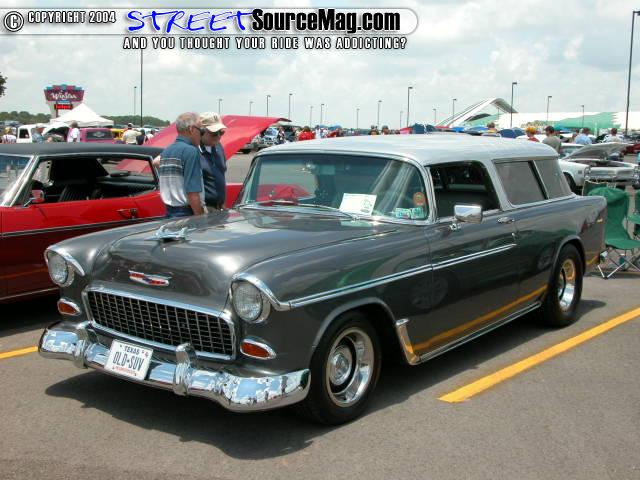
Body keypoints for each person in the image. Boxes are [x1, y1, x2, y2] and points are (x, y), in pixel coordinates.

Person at [158, 112, 205, 218]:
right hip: (186, 213)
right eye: (201, 131)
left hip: (170, 212)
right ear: (191, 129)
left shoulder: (166, 151)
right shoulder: (191, 151)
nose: (201, 135)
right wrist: (200, 217)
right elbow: (192, 192)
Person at [199, 112, 227, 211]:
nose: (218, 136)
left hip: (220, 207)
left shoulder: (219, 147)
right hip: (205, 209)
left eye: (221, 132)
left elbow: (222, 175)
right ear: (201, 131)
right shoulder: (193, 150)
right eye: (214, 133)